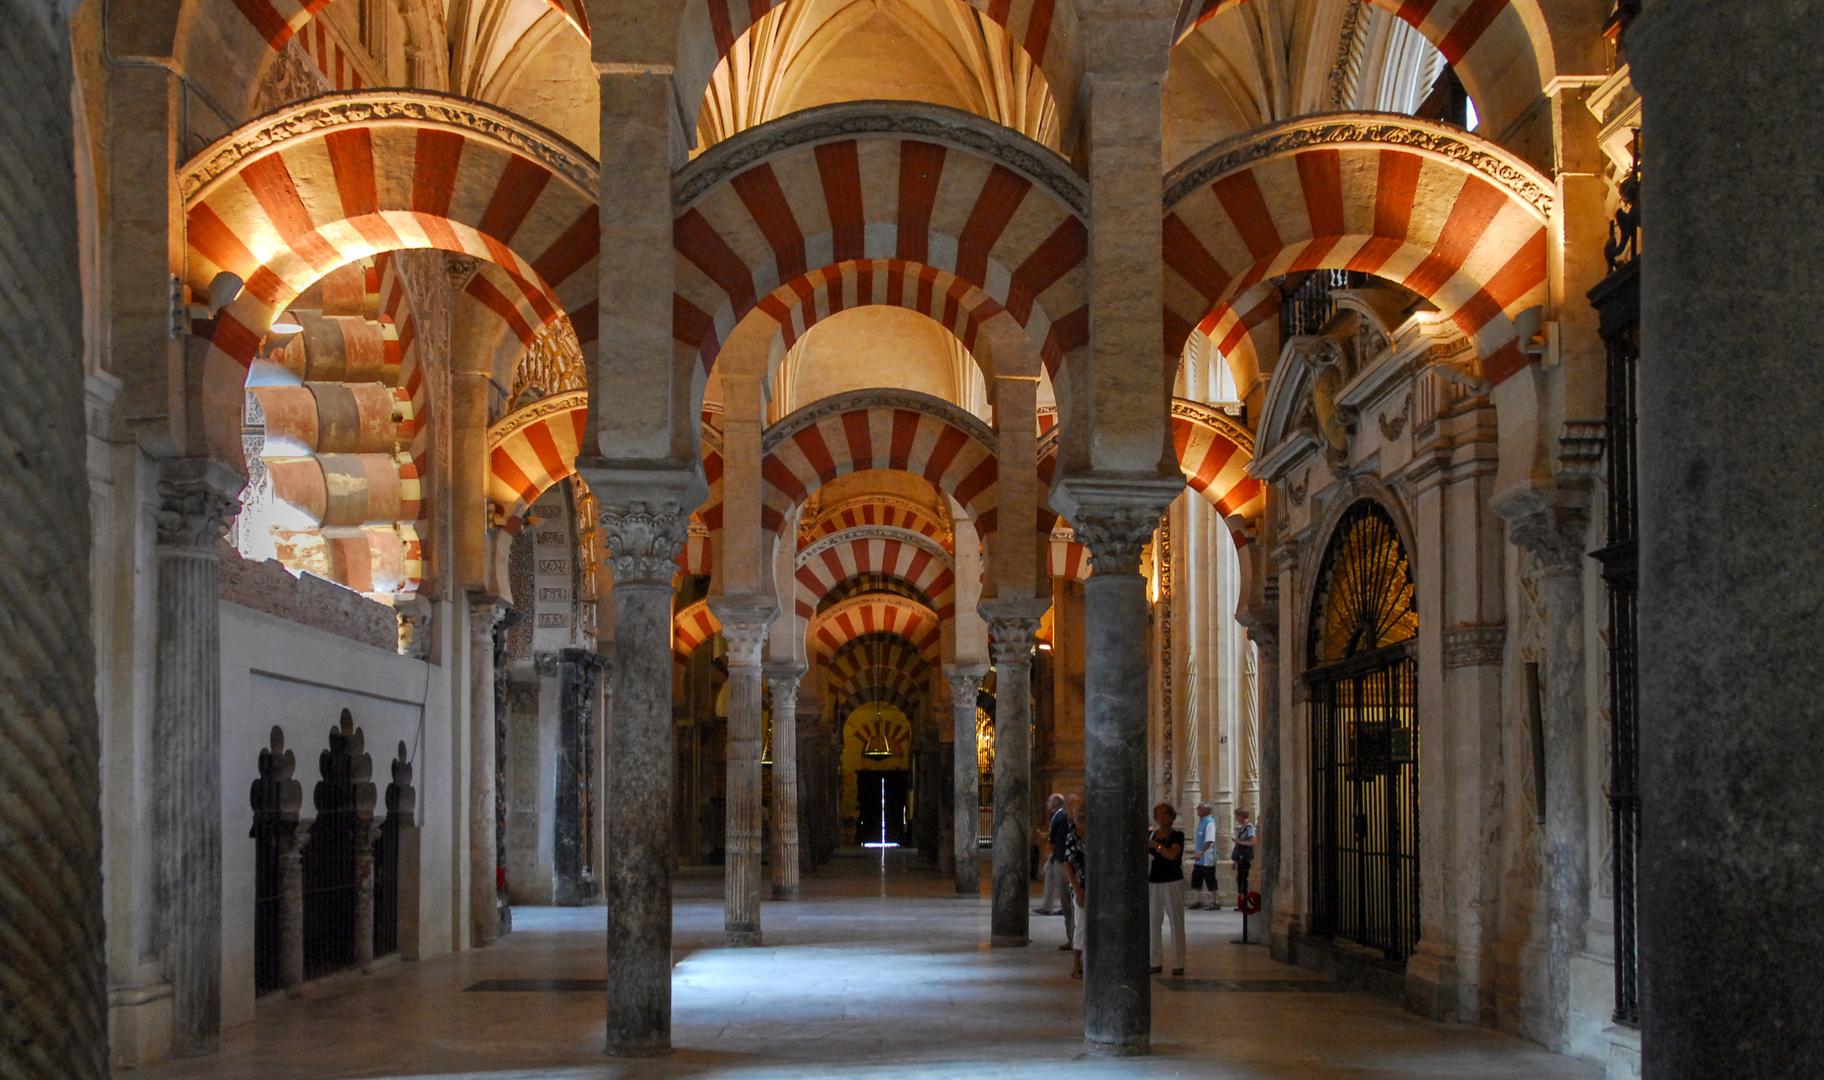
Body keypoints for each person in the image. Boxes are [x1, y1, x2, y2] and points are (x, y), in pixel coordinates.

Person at [1147, 802, 1186, 976]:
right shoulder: (1151, 834)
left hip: (1172, 881)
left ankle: (1178, 962)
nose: (1162, 817)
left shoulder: (1177, 836)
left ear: (1171, 817)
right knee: (1153, 922)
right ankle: (1155, 961)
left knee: (1176, 922)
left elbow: (1172, 855)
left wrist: (1157, 846)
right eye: (1159, 814)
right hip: (1154, 882)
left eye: (1165, 814)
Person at [1064, 799, 1087, 979]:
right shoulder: (1073, 836)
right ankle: (1075, 964)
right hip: (1080, 886)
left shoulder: (1097, 835)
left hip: (1097, 887)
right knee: (1081, 924)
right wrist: (1078, 889)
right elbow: (1067, 865)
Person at [1035, 794, 1067, 917]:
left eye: (1050, 800)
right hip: (1056, 853)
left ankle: (1051, 907)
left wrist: (1049, 841)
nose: (1047, 803)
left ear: (1056, 803)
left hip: (1058, 853)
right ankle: (1048, 906)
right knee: (1052, 878)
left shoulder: (1059, 815)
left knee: (1059, 880)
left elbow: (1056, 836)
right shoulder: (1056, 815)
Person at [1189, 801, 1218, 909]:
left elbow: (1210, 840)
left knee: (1210, 878)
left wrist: (1201, 852)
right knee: (1196, 878)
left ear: (1206, 810)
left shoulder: (1210, 822)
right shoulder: (1201, 822)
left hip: (1207, 857)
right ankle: (1198, 900)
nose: (1197, 811)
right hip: (1200, 858)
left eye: (1200, 809)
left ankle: (1214, 901)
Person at [1232, 808, 1257, 906]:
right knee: (1240, 879)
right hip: (1240, 857)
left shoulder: (1249, 828)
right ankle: (1241, 902)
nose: (1236, 818)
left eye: (1237, 816)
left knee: (1244, 879)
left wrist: (1240, 842)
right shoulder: (1242, 828)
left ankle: (1245, 902)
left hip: (1246, 857)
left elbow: (1253, 842)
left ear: (1242, 816)